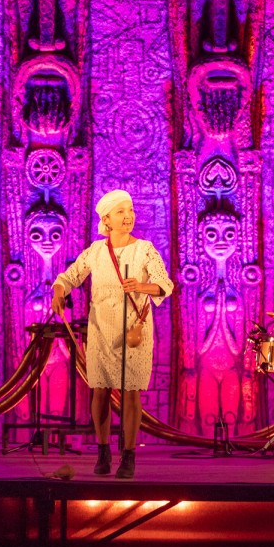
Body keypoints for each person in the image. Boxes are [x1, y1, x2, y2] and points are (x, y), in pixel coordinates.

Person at [51, 190, 174, 479]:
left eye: (130, 210)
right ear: (106, 219)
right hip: (101, 330)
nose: (128, 216)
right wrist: (59, 292)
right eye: (121, 212)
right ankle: (103, 451)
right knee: (101, 391)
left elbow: (164, 284)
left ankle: (128, 456)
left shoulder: (144, 249)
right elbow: (70, 276)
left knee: (131, 393)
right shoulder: (95, 251)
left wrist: (141, 287)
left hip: (133, 329)